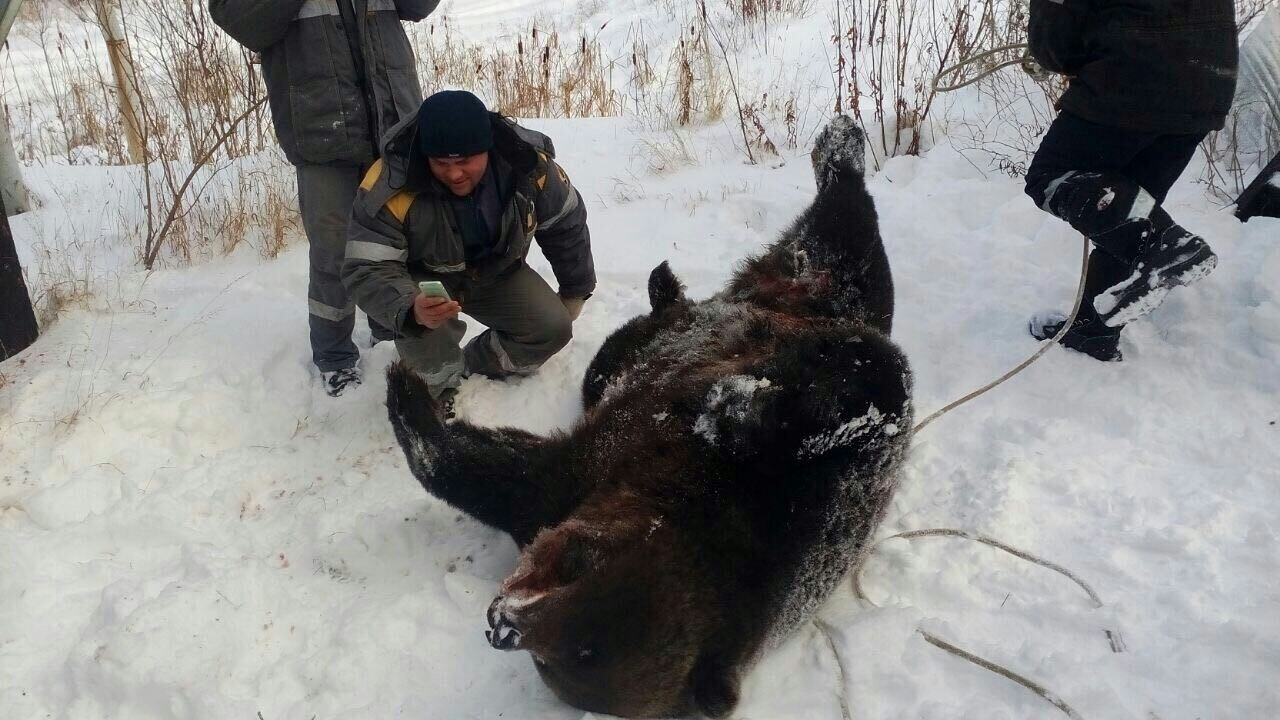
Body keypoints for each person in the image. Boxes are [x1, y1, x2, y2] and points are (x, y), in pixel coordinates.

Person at [209, 0, 440, 395]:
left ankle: (391, 326)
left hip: (393, 123)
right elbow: (240, 20)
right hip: (320, 133)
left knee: (397, 242)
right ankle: (334, 355)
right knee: (334, 252)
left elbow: (419, 5)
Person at [343, 90, 595, 415]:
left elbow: (566, 224)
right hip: (426, 283)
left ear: (488, 148)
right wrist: (410, 308)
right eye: (441, 163)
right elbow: (365, 266)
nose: (454, 173)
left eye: (464, 161)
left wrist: (575, 290)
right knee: (425, 331)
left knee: (553, 328)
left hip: (498, 272)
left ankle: (477, 362)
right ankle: (437, 389)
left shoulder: (529, 166)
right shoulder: (389, 184)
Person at [1023, 0, 1239, 362]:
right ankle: (1093, 332)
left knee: (1050, 176)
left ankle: (1171, 248)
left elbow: (1058, 48)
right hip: (1208, 86)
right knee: (1131, 208)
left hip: (1131, 82)